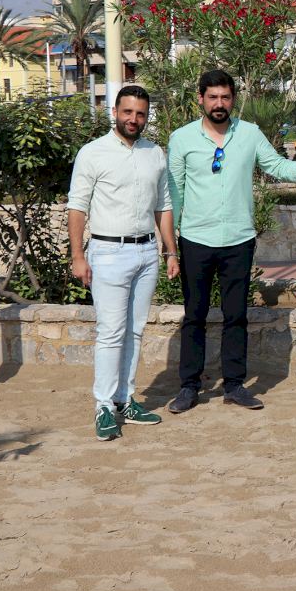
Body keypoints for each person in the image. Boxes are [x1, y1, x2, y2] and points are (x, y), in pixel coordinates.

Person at [166, 70, 296, 414]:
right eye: (213, 97)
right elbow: (174, 194)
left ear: (233, 99)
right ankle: (189, 387)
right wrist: (170, 248)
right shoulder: (181, 138)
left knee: (236, 315)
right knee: (194, 315)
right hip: (195, 239)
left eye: (225, 97)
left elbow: (277, 166)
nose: (219, 103)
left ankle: (234, 386)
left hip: (238, 240)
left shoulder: (249, 134)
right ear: (201, 99)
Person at [68, 85, 179, 441]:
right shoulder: (92, 153)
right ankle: (103, 405)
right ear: (114, 112)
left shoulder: (155, 153)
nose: (134, 119)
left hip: (146, 252)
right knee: (111, 332)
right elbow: (77, 207)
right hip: (108, 252)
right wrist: (78, 256)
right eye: (128, 112)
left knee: (135, 330)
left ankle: (125, 399)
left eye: (140, 113)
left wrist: (170, 251)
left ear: (147, 116)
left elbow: (163, 206)